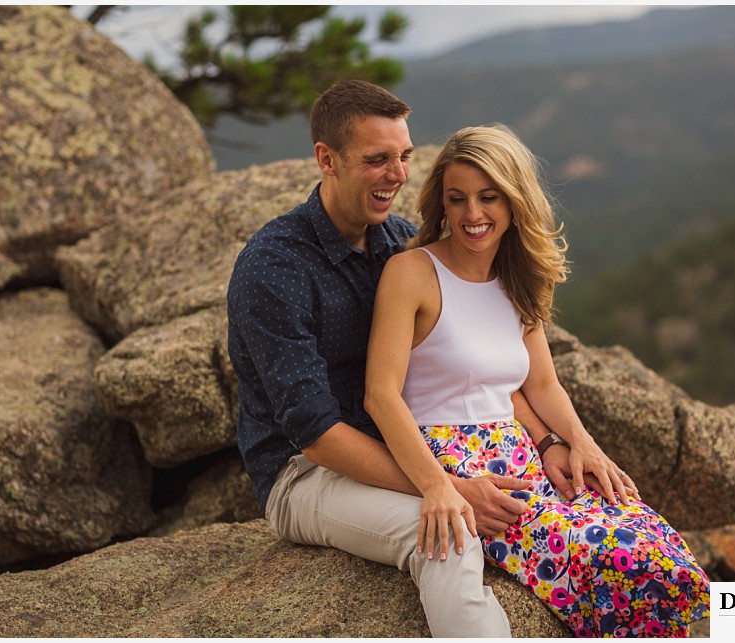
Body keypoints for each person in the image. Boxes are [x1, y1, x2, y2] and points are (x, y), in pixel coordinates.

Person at [364, 124, 711, 637]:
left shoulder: (516, 278)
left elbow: (542, 385)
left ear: (514, 201)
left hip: (524, 455)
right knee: (622, 563)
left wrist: (582, 446)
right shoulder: (412, 272)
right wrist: (438, 487)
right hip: (463, 467)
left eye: (488, 198)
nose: (472, 215)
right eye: (456, 199)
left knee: (652, 536)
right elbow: (380, 395)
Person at [227, 80, 544, 637]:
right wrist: (442, 485)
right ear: (327, 159)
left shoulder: (400, 242)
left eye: (403, 156)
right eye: (377, 160)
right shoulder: (273, 267)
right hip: (306, 475)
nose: (397, 175)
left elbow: (482, 361)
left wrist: (552, 444)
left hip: (416, 447)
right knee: (448, 536)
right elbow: (316, 434)